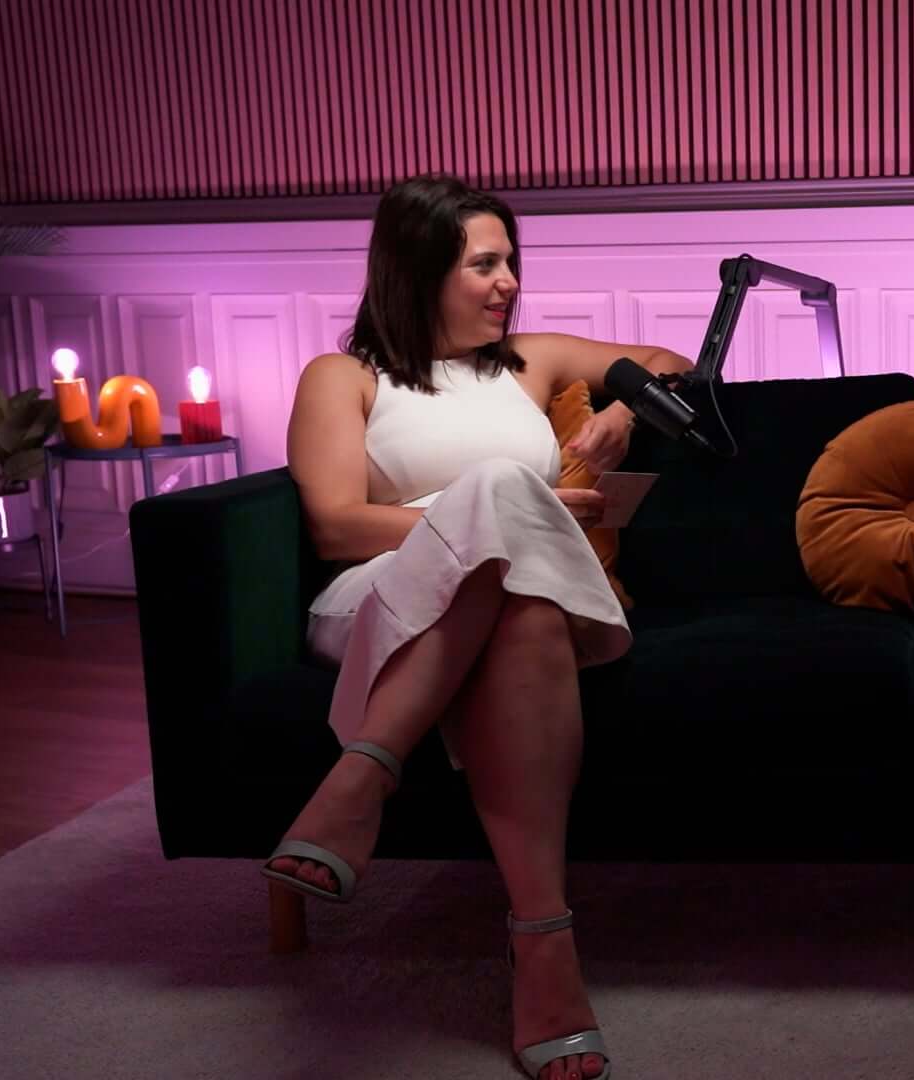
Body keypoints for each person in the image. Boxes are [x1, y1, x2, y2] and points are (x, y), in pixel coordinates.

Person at [262, 172, 691, 1080]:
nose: (509, 283)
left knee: (522, 589)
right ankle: (544, 950)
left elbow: (673, 360)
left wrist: (623, 410)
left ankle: (365, 780)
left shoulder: (531, 360)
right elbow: (336, 526)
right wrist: (498, 519)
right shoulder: (344, 377)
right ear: (418, 268)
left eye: (510, 262)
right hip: (382, 596)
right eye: (485, 265)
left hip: (528, 592)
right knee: (502, 493)